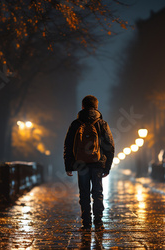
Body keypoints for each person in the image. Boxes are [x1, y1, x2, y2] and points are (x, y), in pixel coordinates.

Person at [64, 95, 115, 231]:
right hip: (97, 163)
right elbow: (109, 147)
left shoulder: (75, 124)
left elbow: (68, 145)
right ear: (96, 107)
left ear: (82, 107)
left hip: (81, 164)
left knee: (84, 193)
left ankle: (86, 223)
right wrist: (107, 167)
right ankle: (98, 222)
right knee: (97, 192)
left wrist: (69, 166)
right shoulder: (102, 124)